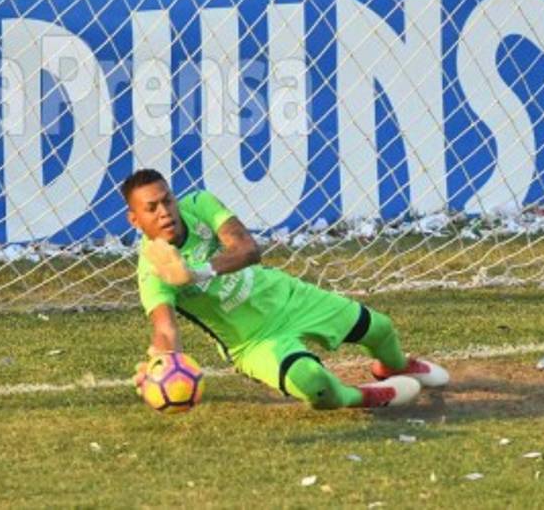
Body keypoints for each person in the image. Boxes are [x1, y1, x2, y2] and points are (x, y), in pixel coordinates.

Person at [122, 168, 449, 409]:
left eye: (167, 201)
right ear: (134, 219)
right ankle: (365, 396)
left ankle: (393, 366)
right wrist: (164, 363)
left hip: (288, 297)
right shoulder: (151, 271)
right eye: (151, 208)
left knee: (380, 329)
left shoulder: (200, 205)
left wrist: (198, 272)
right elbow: (165, 328)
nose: (165, 212)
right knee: (316, 385)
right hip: (254, 342)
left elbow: (248, 249)